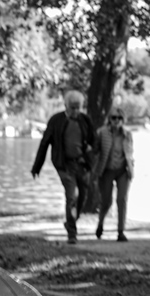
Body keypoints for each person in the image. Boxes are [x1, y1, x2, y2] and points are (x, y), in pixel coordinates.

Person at [31, 90, 95, 244]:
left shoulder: (85, 120)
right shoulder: (56, 120)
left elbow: (94, 140)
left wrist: (90, 149)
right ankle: (72, 233)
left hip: (82, 164)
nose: (76, 111)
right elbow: (44, 143)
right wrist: (37, 166)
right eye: (73, 107)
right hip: (64, 165)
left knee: (83, 197)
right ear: (66, 106)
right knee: (71, 196)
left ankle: (70, 222)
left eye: (78, 107)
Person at [92, 107, 134, 242]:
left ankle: (121, 232)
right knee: (106, 201)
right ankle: (100, 224)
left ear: (123, 120)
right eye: (114, 118)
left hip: (123, 171)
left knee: (122, 200)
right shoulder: (102, 132)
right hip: (106, 171)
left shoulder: (127, 134)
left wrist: (131, 168)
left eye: (119, 118)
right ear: (109, 119)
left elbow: (130, 153)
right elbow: (95, 150)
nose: (117, 121)